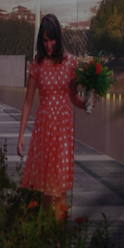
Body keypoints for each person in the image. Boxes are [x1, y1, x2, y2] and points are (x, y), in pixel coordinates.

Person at [17, 13, 79, 220]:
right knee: (44, 187)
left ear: (59, 38)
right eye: (45, 40)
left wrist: (88, 102)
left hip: (63, 129)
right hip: (44, 128)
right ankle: (46, 236)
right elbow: (27, 102)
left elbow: (74, 97)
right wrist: (20, 136)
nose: (49, 44)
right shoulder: (37, 65)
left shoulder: (70, 63)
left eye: (52, 39)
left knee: (60, 186)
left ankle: (60, 238)